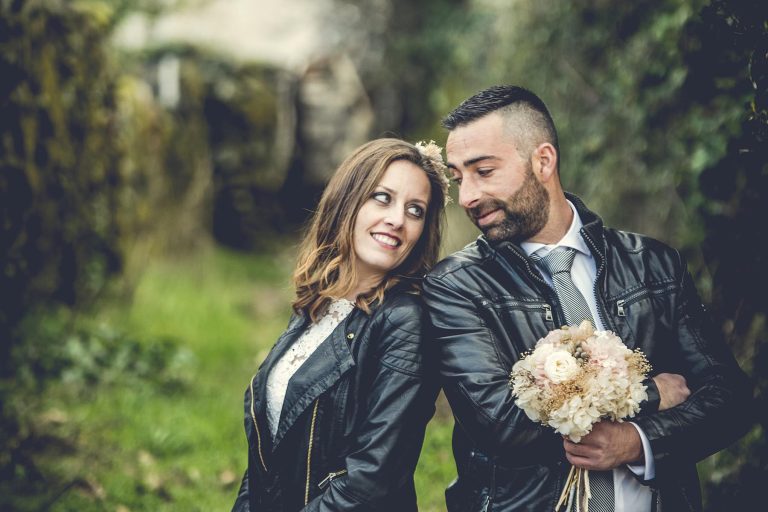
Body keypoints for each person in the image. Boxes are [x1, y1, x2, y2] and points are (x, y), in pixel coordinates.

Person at [422, 85, 753, 511]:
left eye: (483, 171)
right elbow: (501, 423)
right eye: (458, 178)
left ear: (543, 161)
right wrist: (649, 394)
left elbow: (729, 400)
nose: (467, 196)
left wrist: (637, 441)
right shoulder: (456, 286)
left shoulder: (653, 265)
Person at [231, 138, 448, 511]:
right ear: (348, 201)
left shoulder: (405, 323)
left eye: (415, 210)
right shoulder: (320, 303)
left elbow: (372, 479)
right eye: (382, 198)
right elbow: (266, 459)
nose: (398, 219)